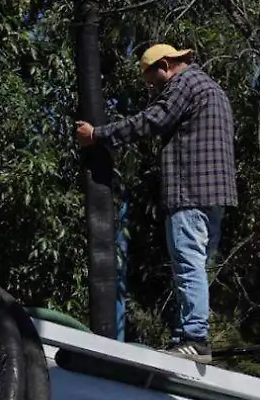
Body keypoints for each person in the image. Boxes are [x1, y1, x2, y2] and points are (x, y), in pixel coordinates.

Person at [75, 44, 237, 363]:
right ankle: (186, 337)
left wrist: (98, 135)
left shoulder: (183, 84)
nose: (153, 89)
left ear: (165, 65)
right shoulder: (212, 87)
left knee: (187, 263)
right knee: (199, 267)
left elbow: (151, 121)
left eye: (153, 82)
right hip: (217, 195)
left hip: (190, 191)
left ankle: (194, 338)